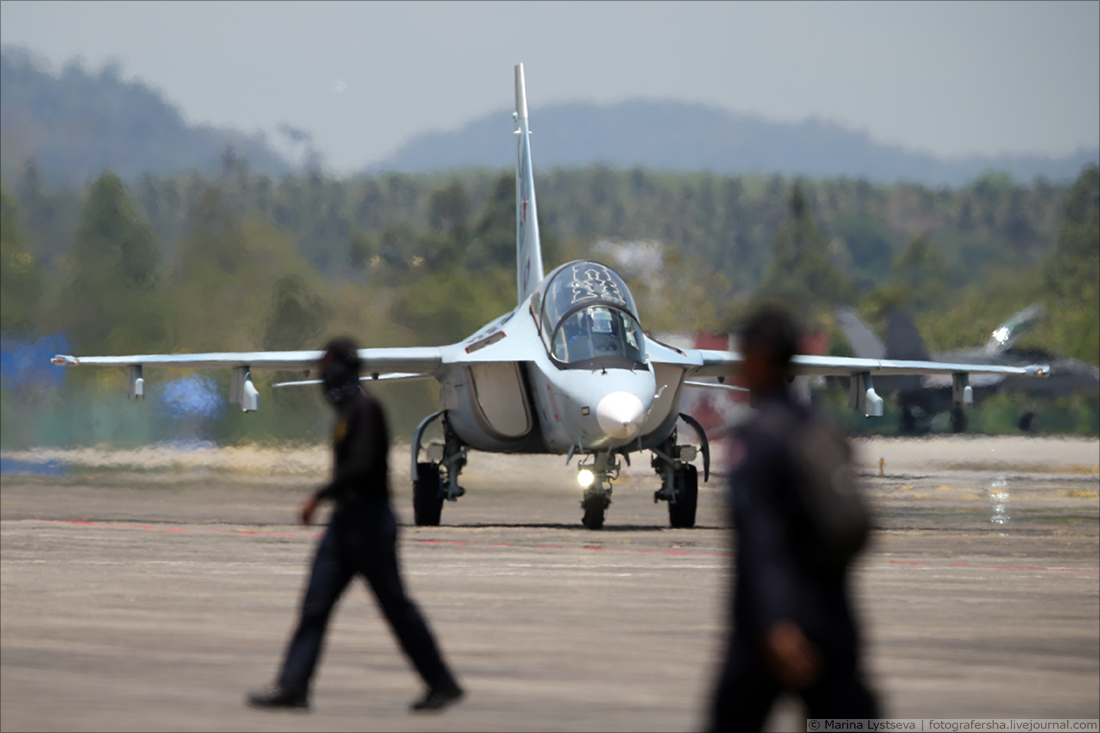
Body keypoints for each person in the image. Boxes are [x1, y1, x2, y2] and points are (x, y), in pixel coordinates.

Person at [247, 337, 463, 713]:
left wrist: (320, 494)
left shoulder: (366, 410)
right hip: (343, 523)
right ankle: (293, 685)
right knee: (315, 605)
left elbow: (362, 466)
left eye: (328, 366)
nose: (323, 376)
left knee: (396, 607)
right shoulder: (346, 414)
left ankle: (442, 682)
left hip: (370, 524)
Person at [708, 304, 877, 732]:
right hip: (834, 620)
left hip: (770, 633)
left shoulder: (757, 440)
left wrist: (778, 624)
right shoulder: (822, 429)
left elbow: (763, 545)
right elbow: (854, 527)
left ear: (760, 356)